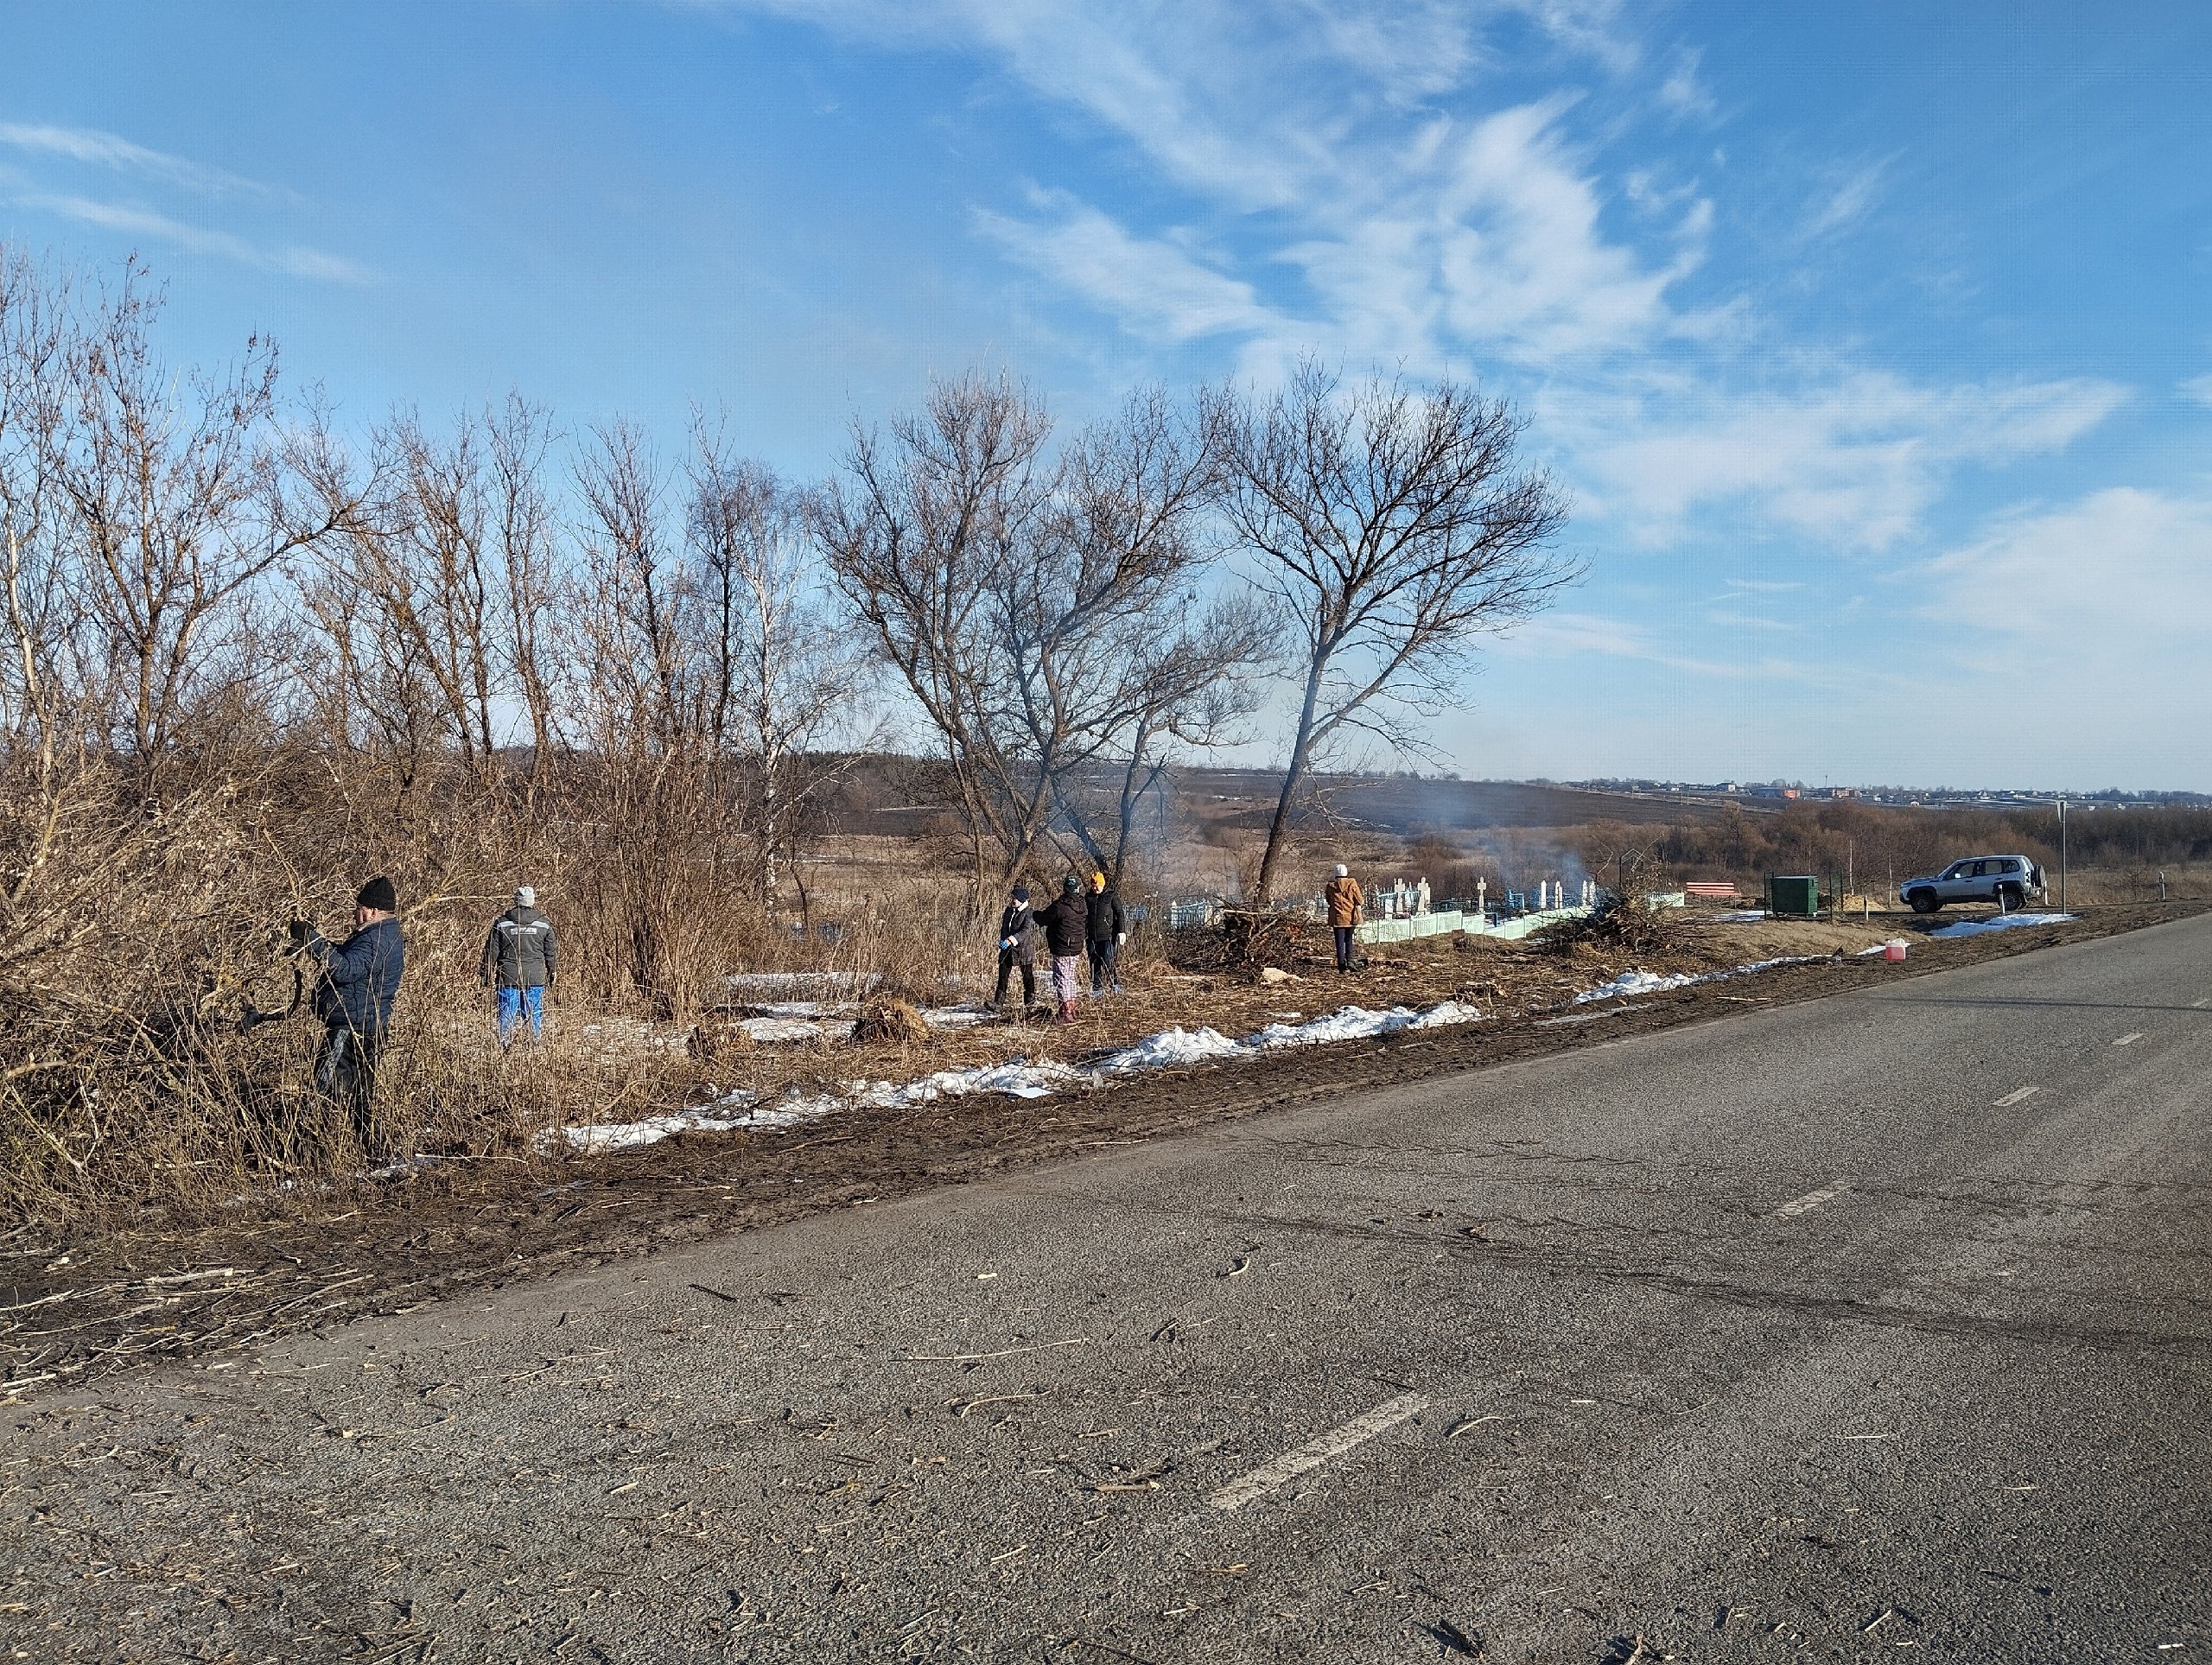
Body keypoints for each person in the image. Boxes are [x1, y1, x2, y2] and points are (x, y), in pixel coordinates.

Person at [291, 875, 405, 1158]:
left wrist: (311, 938)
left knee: (322, 1090)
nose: (355, 912)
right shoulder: (379, 935)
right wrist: (310, 945)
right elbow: (343, 955)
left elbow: (343, 968)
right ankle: (374, 1152)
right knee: (361, 1097)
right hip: (369, 1027)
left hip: (351, 1028)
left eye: (359, 907)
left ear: (374, 911)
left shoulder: (375, 940)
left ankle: (303, 1155)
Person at [480, 886, 557, 1045]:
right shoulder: (544, 925)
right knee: (533, 1012)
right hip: (534, 977)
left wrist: (485, 974)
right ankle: (533, 1042)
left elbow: (491, 951)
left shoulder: (501, 924)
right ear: (532, 901)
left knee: (506, 1012)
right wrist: (552, 973)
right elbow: (551, 953)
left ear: (516, 900)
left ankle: (504, 1045)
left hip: (508, 976)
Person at [1034, 874, 1090, 1023]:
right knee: (1070, 977)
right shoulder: (1083, 904)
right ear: (1077, 889)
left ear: (1065, 888)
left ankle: (1065, 1012)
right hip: (1077, 945)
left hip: (1062, 946)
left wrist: (1033, 913)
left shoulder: (1061, 906)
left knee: (1061, 978)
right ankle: (1071, 1009)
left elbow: (1043, 918)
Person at [993, 884, 1037, 1011]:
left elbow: (1025, 931)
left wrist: (1011, 940)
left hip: (1023, 949)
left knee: (1027, 975)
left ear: (1022, 900)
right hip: (1007, 949)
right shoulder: (1009, 911)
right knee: (1003, 974)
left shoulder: (1028, 913)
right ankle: (998, 1003)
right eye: (1012, 897)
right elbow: (1004, 928)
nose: (1013, 900)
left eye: (1015, 898)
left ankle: (1030, 1003)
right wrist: (1003, 940)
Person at [1085, 870, 1128, 994]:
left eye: (1097, 886)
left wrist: (1122, 931)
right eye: (1093, 886)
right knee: (1094, 962)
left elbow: (1120, 913)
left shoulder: (1111, 896)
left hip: (1108, 936)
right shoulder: (1088, 898)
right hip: (1092, 936)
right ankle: (1097, 987)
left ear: (1103, 885)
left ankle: (1114, 983)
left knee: (1108, 960)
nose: (1095, 888)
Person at [1325, 862, 1364, 973]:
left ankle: (1341, 966)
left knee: (1339, 942)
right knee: (1349, 940)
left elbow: (1328, 900)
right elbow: (1360, 900)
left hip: (1337, 918)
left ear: (1335, 874)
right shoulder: (1352, 883)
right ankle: (1350, 961)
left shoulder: (1330, 886)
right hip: (1350, 917)